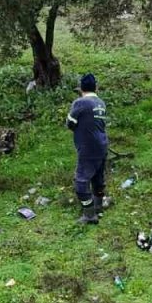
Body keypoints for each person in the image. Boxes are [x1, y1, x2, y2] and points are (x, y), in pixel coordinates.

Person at [65, 73, 109, 224]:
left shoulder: (80, 103)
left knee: (81, 181)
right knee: (98, 178)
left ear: (81, 88)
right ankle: (98, 206)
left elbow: (70, 123)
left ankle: (89, 214)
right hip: (102, 145)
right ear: (96, 87)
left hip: (87, 147)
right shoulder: (101, 103)